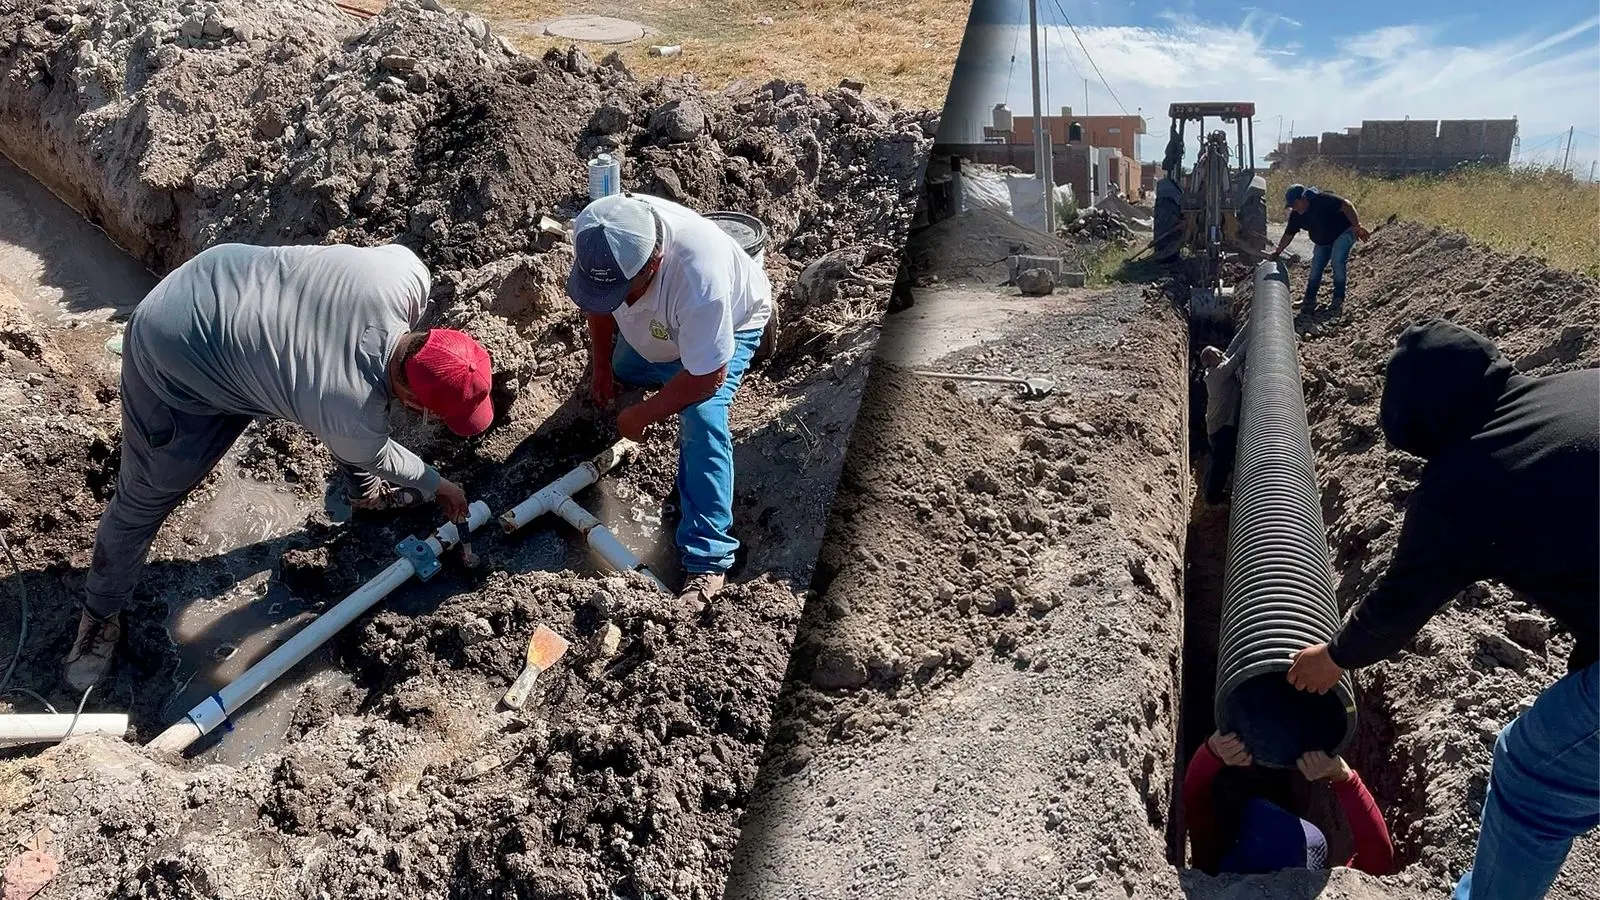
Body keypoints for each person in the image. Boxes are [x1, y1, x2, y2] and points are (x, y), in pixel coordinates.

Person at [67, 243, 493, 692]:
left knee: (348, 411)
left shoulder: (405, 273)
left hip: (221, 278)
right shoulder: (348, 409)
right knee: (143, 498)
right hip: (174, 352)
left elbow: (358, 418)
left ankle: (364, 496)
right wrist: (440, 484)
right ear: (412, 398)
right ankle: (98, 617)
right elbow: (375, 448)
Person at [1285, 319, 1599, 899]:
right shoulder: (1576, 388)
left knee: (1531, 769)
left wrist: (1336, 656)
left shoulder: (1470, 478)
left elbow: (1403, 599)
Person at [566, 192, 773, 608]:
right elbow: (599, 301)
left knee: (701, 419)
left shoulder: (699, 280)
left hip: (727, 327)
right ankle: (646, 362)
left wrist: (644, 414)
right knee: (625, 369)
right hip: (660, 330)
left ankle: (707, 558)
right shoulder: (597, 230)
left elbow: (706, 377)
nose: (617, 300)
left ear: (654, 264)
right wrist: (602, 365)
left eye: (625, 292)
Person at [1184, 730, 1395, 875]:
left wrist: (1212, 750)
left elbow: (1195, 804)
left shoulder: (1212, 884)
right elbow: (1377, 863)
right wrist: (1344, 777)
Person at [1267, 184, 1370, 317]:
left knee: (1337, 261)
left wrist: (1357, 227)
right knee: (1316, 267)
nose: (1294, 208)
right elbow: (1288, 235)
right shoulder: (1296, 215)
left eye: (1295, 204)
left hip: (1343, 233)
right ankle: (1309, 300)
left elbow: (1347, 205)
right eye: (1291, 206)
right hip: (1323, 242)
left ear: (1304, 198)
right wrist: (1278, 251)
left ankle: (1338, 298)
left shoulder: (1323, 200)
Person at [1199, 317, 1250, 505]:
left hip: (1220, 424)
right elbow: (1237, 357)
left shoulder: (1218, 366)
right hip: (1220, 429)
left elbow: (1233, 345)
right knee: (1221, 463)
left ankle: (1213, 490)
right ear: (1211, 360)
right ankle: (1212, 499)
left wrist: (1250, 323)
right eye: (1217, 353)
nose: (1221, 352)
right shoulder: (1218, 374)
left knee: (1219, 460)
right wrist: (1257, 331)